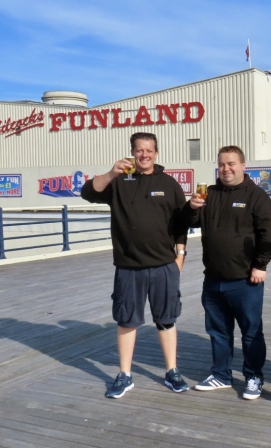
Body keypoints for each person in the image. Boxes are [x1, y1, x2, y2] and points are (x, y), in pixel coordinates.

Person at [80, 132, 189, 399]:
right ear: (132, 152)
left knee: (166, 320)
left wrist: (180, 255)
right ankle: (125, 374)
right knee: (127, 321)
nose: (144, 155)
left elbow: (181, 222)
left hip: (164, 265)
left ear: (157, 152)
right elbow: (86, 194)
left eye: (149, 150)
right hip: (128, 266)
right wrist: (110, 173)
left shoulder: (169, 183)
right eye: (139, 150)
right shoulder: (118, 182)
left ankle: (172, 371)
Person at [184, 145, 271, 400]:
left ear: (243, 166)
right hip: (213, 279)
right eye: (222, 164)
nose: (226, 169)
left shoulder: (257, 196)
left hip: (246, 280)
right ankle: (221, 375)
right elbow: (188, 223)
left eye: (231, 164)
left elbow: (267, 235)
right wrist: (191, 207)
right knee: (217, 331)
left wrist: (261, 264)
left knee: (251, 332)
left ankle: (254, 376)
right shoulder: (209, 194)